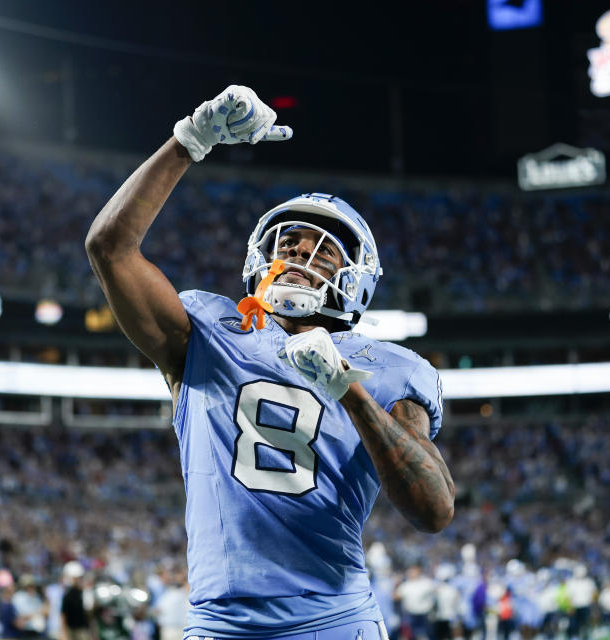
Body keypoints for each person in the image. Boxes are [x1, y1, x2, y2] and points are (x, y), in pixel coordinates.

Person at [85, 84, 455, 640]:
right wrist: (189, 139)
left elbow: (434, 510)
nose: (301, 256)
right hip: (218, 625)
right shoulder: (207, 332)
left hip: (335, 620)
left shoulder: (390, 367)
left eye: (323, 250)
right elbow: (109, 247)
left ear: (357, 278)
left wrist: (348, 389)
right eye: (291, 244)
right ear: (261, 258)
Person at [394, 565, 436, 640]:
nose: (412, 574)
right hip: (411, 614)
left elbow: (435, 590)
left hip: (424, 614)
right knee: (410, 635)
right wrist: (396, 584)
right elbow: (396, 596)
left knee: (424, 635)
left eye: (414, 572)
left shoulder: (426, 582)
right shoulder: (405, 585)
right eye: (410, 572)